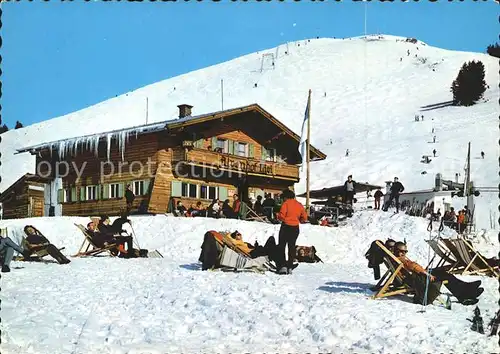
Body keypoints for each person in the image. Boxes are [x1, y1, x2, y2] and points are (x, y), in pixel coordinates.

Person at [394, 242, 483, 305]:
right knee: (446, 277)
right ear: (397, 251)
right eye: (402, 251)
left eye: (405, 251)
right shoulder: (400, 260)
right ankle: (463, 296)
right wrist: (427, 274)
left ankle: (467, 287)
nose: (404, 253)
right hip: (418, 279)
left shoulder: (397, 258)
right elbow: (413, 266)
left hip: (418, 275)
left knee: (443, 272)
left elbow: (413, 267)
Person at [276, 189, 308, 274]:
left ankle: (282, 266)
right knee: (292, 247)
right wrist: (298, 219)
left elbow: (282, 216)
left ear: (286, 197)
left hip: (286, 227)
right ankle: (290, 266)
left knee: (282, 246)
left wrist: (278, 216)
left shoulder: (285, 204)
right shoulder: (299, 205)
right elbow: (304, 217)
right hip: (295, 228)